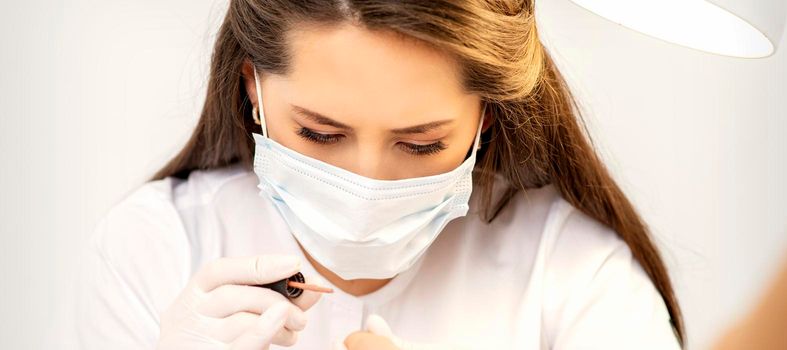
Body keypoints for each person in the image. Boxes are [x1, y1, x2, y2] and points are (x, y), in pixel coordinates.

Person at [60, 0, 684, 349]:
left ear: (486, 117)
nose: (366, 186)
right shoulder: (152, 247)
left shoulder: (575, 274)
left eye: (420, 144)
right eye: (320, 134)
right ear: (252, 87)